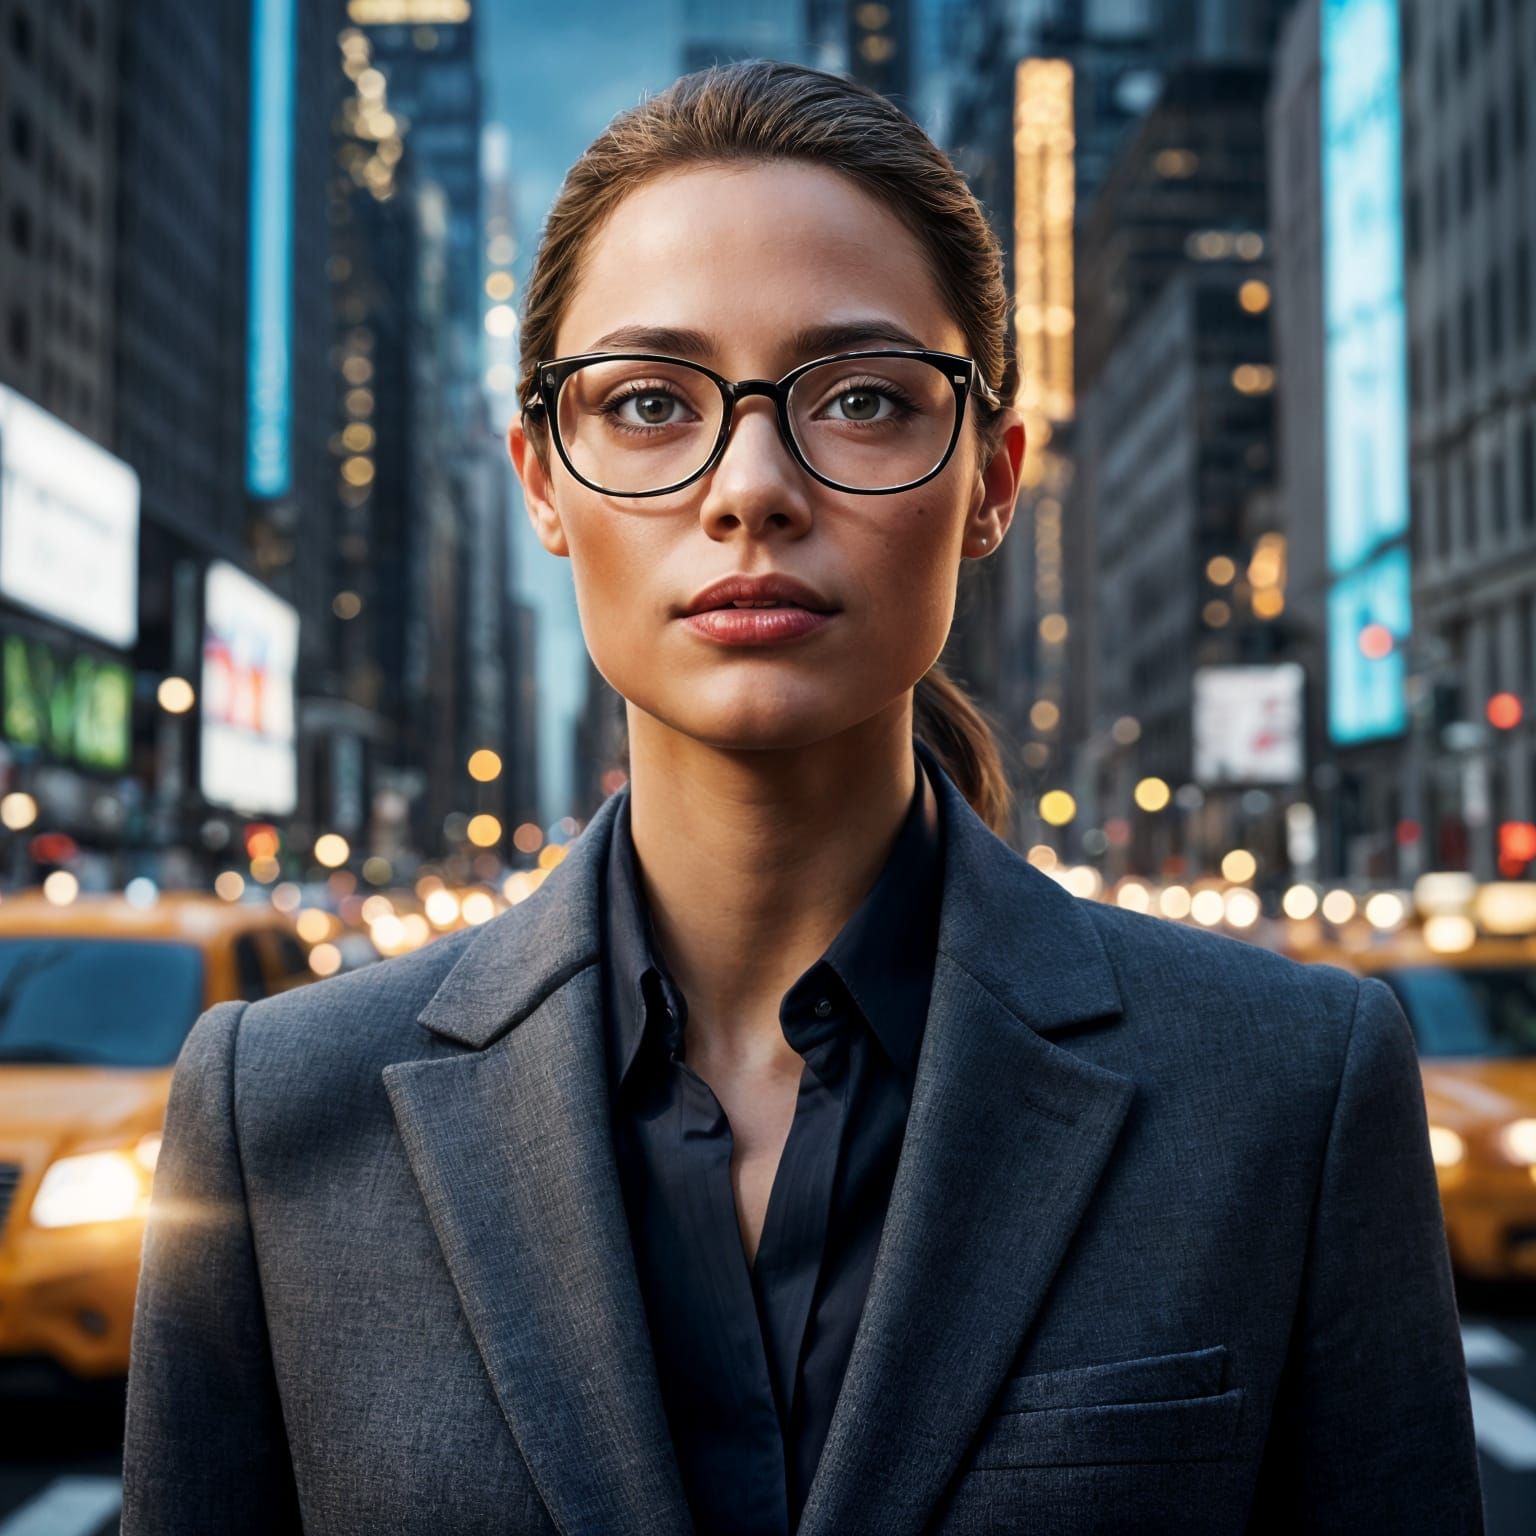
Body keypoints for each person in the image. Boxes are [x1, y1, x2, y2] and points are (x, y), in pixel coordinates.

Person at [121, 58, 1483, 1536]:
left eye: (862, 399)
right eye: (648, 401)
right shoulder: (281, 1112)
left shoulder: (1287, 1087)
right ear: (540, 481)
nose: (751, 486)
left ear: (991, 482)